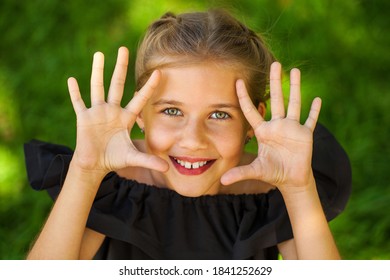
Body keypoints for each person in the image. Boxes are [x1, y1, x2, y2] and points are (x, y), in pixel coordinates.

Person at [24, 9, 351, 259]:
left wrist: (297, 189)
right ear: (140, 113)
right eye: (172, 111)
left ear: (253, 122)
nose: (193, 140)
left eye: (220, 114)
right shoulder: (113, 185)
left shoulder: (268, 193)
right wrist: (85, 171)